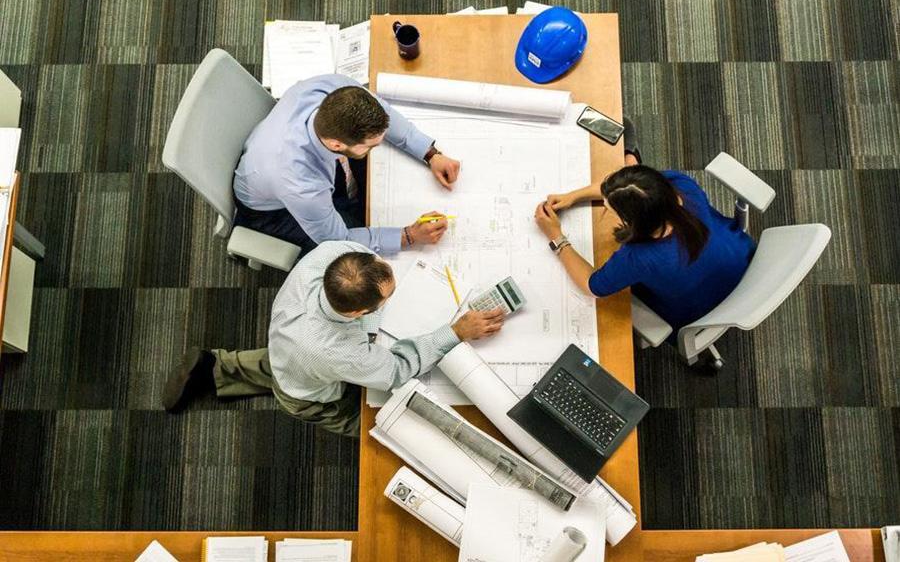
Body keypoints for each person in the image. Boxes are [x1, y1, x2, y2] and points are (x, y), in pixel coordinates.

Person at [162, 241, 504, 437]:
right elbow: (397, 370)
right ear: (359, 313)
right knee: (376, 424)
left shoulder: (332, 256)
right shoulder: (338, 351)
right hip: (309, 392)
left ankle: (215, 367)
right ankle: (378, 432)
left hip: (288, 345)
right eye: (388, 297)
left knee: (283, 363)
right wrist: (455, 331)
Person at [533, 129, 755, 342]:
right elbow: (631, 189)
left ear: (632, 222)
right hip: (742, 260)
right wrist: (573, 196)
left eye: (611, 209)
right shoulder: (680, 186)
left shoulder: (639, 257)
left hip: (698, 309)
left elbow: (592, 286)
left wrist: (556, 237)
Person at [233, 74, 462, 256]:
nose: (377, 147)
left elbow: (385, 114)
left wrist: (430, 154)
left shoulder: (333, 89)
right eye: (371, 145)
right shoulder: (301, 184)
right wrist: (409, 236)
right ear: (336, 144)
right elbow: (338, 240)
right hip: (272, 212)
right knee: (354, 256)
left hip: (273, 159)